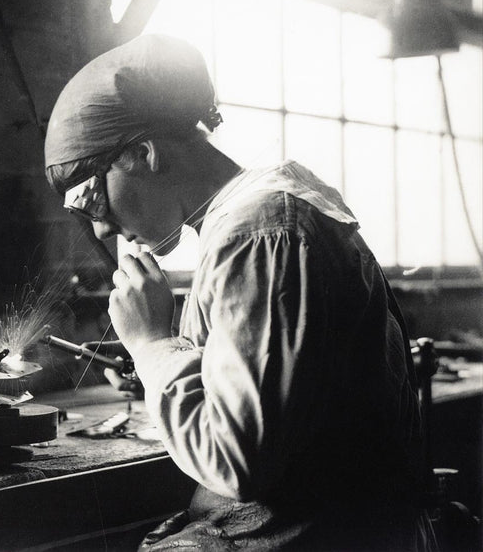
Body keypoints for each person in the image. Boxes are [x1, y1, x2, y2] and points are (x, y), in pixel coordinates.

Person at [44, 34, 431, 551]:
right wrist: (159, 365)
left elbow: (236, 460)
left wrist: (155, 346)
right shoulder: (263, 214)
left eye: (93, 199)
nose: (102, 231)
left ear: (143, 152)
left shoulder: (258, 233)